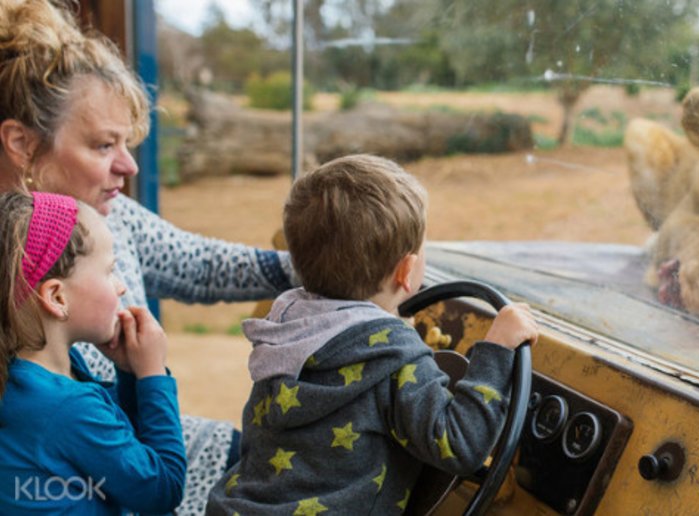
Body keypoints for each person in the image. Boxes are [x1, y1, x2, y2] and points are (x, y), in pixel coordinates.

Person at [0, 2, 296, 512]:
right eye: (102, 145)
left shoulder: (110, 216)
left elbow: (201, 264)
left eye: (127, 143)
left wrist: (324, 262)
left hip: (136, 450)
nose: (129, 164)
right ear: (22, 144)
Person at [205, 154, 538, 514]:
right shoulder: (394, 357)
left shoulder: (285, 332)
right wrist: (497, 350)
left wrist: (388, 324)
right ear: (407, 271)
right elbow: (459, 445)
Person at [0, 191, 186, 514]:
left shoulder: (30, 377)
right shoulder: (67, 407)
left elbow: (122, 454)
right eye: (109, 270)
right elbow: (163, 489)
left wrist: (128, 374)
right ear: (57, 298)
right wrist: (152, 375)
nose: (120, 286)